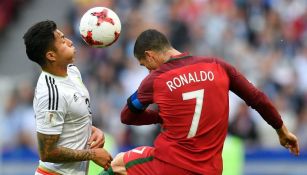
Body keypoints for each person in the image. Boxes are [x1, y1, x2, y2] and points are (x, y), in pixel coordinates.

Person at [100, 29, 300, 175]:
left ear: (150, 55)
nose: (149, 71)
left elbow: (126, 115)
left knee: (119, 164)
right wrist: (281, 130)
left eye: (146, 66)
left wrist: (158, 116)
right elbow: (257, 98)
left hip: (170, 166)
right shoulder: (217, 65)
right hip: (210, 171)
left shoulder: (156, 79)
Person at [23, 20, 112, 175]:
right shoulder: (51, 93)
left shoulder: (72, 71)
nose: (70, 42)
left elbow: (69, 119)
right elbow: (47, 152)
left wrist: (90, 130)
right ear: (51, 55)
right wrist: (91, 154)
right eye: (63, 41)